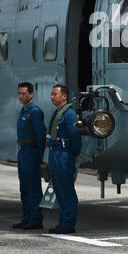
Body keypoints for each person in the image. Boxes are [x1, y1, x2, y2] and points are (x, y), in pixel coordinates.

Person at [47, 84, 81, 234]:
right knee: (59, 189)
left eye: (55, 94)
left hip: (63, 154)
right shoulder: (58, 112)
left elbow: (75, 136)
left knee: (66, 190)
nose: (52, 96)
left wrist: (72, 153)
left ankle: (68, 223)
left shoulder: (69, 114)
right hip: (55, 153)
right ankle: (63, 221)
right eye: (52, 94)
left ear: (64, 96)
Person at [14, 82, 46, 230]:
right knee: (24, 187)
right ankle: (26, 217)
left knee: (33, 187)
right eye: (19, 93)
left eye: (23, 94)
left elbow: (40, 135)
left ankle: (36, 219)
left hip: (31, 152)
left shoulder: (34, 112)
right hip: (22, 151)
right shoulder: (23, 111)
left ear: (31, 94)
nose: (21, 96)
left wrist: (40, 155)